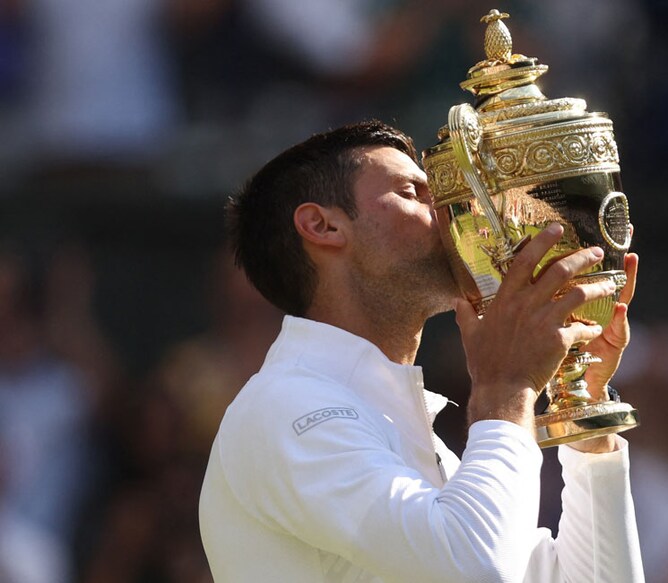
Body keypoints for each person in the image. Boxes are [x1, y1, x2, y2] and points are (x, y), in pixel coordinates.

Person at [197, 119, 644, 582]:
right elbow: (476, 570)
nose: (452, 214)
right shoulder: (285, 407)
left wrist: (586, 419)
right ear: (323, 225)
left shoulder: (396, 428)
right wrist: (506, 387)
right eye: (414, 192)